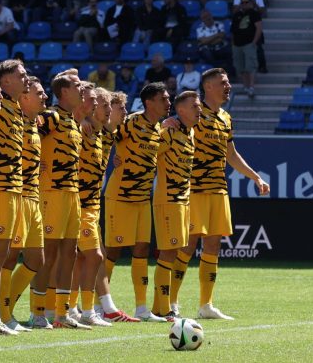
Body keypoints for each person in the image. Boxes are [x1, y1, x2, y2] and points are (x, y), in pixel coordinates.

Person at [168, 68, 270, 320]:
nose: (228, 86)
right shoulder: (194, 113)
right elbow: (170, 130)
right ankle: (171, 302)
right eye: (223, 83)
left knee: (213, 245)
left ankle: (206, 305)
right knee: (188, 245)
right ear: (208, 87)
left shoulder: (226, 117)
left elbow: (231, 155)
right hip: (194, 190)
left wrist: (255, 176)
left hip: (218, 190)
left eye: (228, 82)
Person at [104, 82, 168, 323]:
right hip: (120, 196)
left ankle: (141, 308)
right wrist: (113, 159)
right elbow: (106, 135)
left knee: (142, 250)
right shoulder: (131, 122)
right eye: (163, 99)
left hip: (142, 199)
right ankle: (100, 305)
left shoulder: (158, 128)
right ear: (149, 103)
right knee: (113, 250)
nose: (168, 102)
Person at [32, 74, 84, 329]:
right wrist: (35, 164)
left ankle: (61, 314)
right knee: (48, 254)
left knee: (70, 254)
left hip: (72, 193)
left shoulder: (74, 122)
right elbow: (28, 136)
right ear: (63, 92)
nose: (81, 88)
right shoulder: (50, 117)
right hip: (51, 192)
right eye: (77, 85)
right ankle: (37, 312)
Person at [150, 91, 202, 319]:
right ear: (181, 110)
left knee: (175, 252)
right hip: (168, 200)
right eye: (195, 106)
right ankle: (164, 308)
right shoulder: (169, 132)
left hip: (182, 201)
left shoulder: (190, 132)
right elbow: (147, 151)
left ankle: (158, 307)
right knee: (168, 253)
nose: (199, 110)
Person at [0, 60, 29, 333]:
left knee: (5, 255)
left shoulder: (16, 109)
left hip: (14, 188)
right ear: (6, 81)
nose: (26, 78)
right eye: (21, 75)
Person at [3, 76, 48, 327]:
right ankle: (2, 314)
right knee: (9, 257)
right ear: (24, 97)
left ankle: (6, 308)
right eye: (39, 93)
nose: (45, 97)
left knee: (37, 259)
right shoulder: (12, 118)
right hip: (16, 195)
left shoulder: (37, 121)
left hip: (34, 196)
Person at [71, 86, 114, 327]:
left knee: (80, 258)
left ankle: (72, 308)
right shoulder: (82, 129)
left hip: (92, 205)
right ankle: (86, 311)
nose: (107, 110)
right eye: (103, 105)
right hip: (79, 204)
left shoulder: (100, 135)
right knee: (94, 256)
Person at [231, 0, 263, 97]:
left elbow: (259, 28)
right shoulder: (236, 15)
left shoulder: (254, 14)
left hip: (249, 43)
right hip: (237, 44)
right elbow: (233, 31)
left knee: (250, 66)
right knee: (240, 66)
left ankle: (251, 87)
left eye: (246, 2)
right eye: (242, 2)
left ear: (249, 3)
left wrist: (254, 42)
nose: (244, 4)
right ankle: (245, 86)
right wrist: (233, 44)